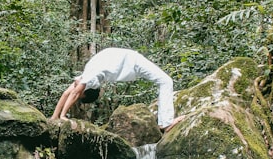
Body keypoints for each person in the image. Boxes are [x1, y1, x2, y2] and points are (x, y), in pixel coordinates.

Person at [50, 47, 178, 130]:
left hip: (134, 62)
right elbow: (67, 93)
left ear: (84, 90)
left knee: (166, 81)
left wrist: (62, 116)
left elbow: (72, 94)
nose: (75, 86)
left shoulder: (89, 78)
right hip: (131, 62)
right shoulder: (88, 77)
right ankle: (165, 122)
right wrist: (54, 117)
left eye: (79, 92)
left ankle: (165, 123)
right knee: (166, 81)